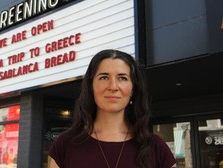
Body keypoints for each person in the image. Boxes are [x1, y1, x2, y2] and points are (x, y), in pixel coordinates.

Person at [48, 49, 176, 168]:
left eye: (122, 78)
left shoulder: (156, 147)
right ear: (91, 87)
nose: (113, 86)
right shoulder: (65, 145)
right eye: (104, 77)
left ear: (133, 89)